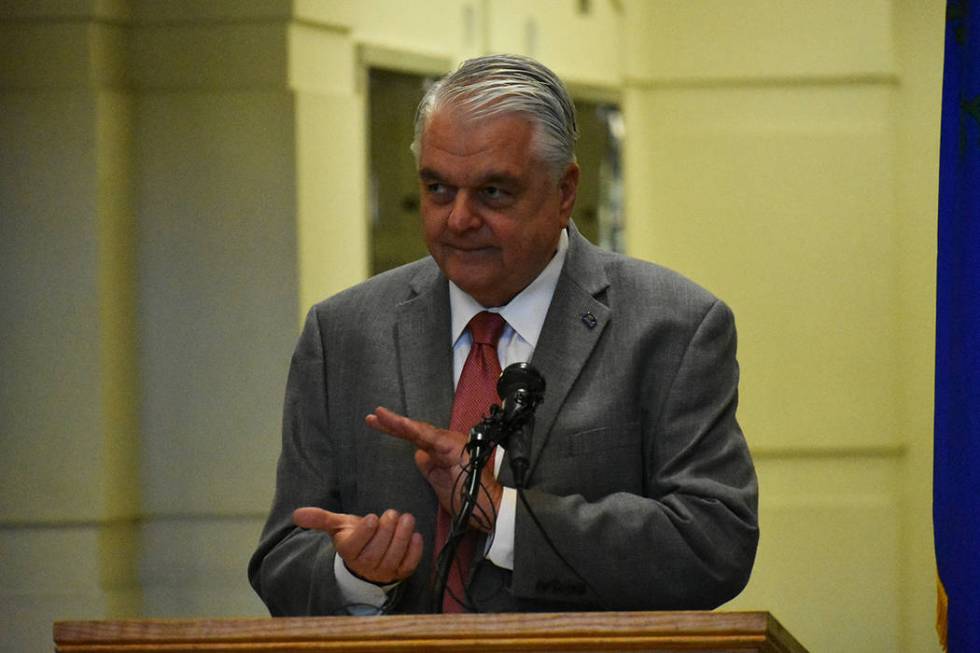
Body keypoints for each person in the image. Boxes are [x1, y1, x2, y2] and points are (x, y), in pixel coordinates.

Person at [248, 54, 758, 615]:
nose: (458, 219)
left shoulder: (673, 326)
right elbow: (283, 558)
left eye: (493, 193)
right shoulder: (342, 333)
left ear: (565, 192)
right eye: (438, 188)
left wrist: (506, 516)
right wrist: (356, 576)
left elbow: (714, 543)